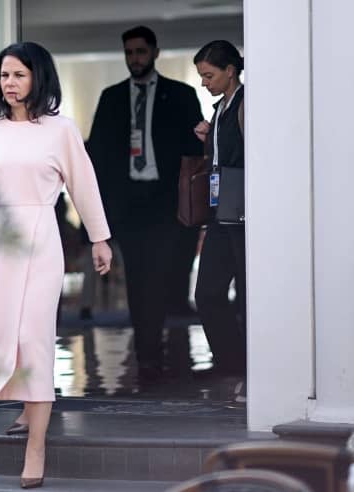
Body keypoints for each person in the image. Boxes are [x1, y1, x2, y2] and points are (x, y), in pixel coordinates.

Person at [0, 42, 112, 489]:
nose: (10, 83)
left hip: (41, 241)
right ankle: (26, 407)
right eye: (4, 75)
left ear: (38, 78)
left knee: (34, 339)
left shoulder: (61, 130)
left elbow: (85, 186)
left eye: (19, 75)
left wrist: (100, 238)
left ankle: (36, 445)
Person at [86, 25, 203, 382]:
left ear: (154, 52)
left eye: (140, 52)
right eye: (129, 53)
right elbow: (97, 154)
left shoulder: (180, 94)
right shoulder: (111, 98)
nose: (134, 59)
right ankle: (148, 355)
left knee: (162, 277)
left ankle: (163, 351)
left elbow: (195, 152)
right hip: (129, 204)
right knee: (139, 279)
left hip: (166, 201)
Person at [192, 40, 246, 383]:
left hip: (241, 214)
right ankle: (232, 361)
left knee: (245, 293)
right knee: (208, 292)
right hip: (219, 213)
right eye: (201, 76)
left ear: (230, 71)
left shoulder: (245, 104)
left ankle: (247, 367)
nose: (204, 82)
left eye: (209, 75)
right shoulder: (220, 108)